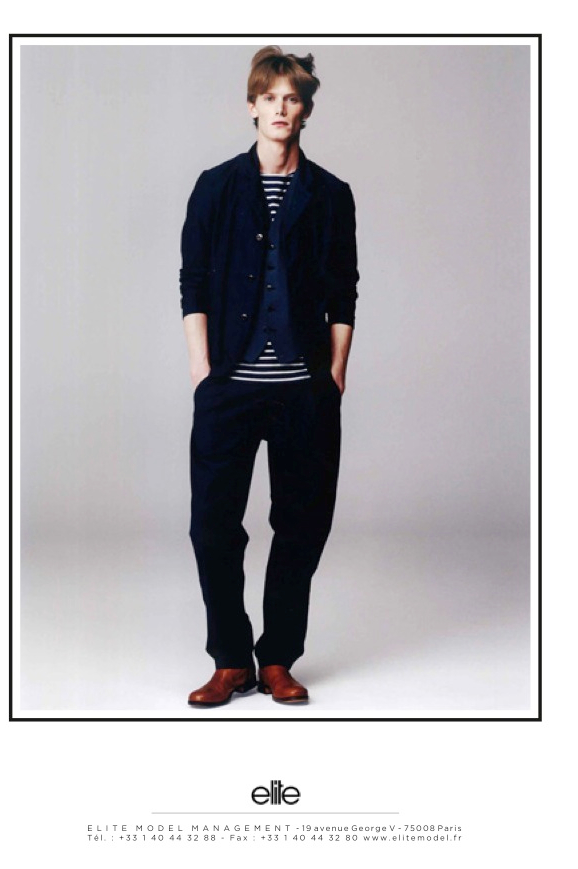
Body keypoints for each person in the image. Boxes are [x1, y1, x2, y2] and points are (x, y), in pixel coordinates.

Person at [180, 46, 359, 706]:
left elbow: (343, 289)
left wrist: (335, 372)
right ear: (251, 106)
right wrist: (202, 370)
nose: (281, 109)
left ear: (305, 110)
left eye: (293, 99)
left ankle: (278, 657)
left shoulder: (330, 194)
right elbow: (194, 282)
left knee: (302, 524)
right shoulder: (215, 187)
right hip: (229, 386)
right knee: (212, 526)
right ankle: (230, 660)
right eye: (270, 98)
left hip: (304, 391)